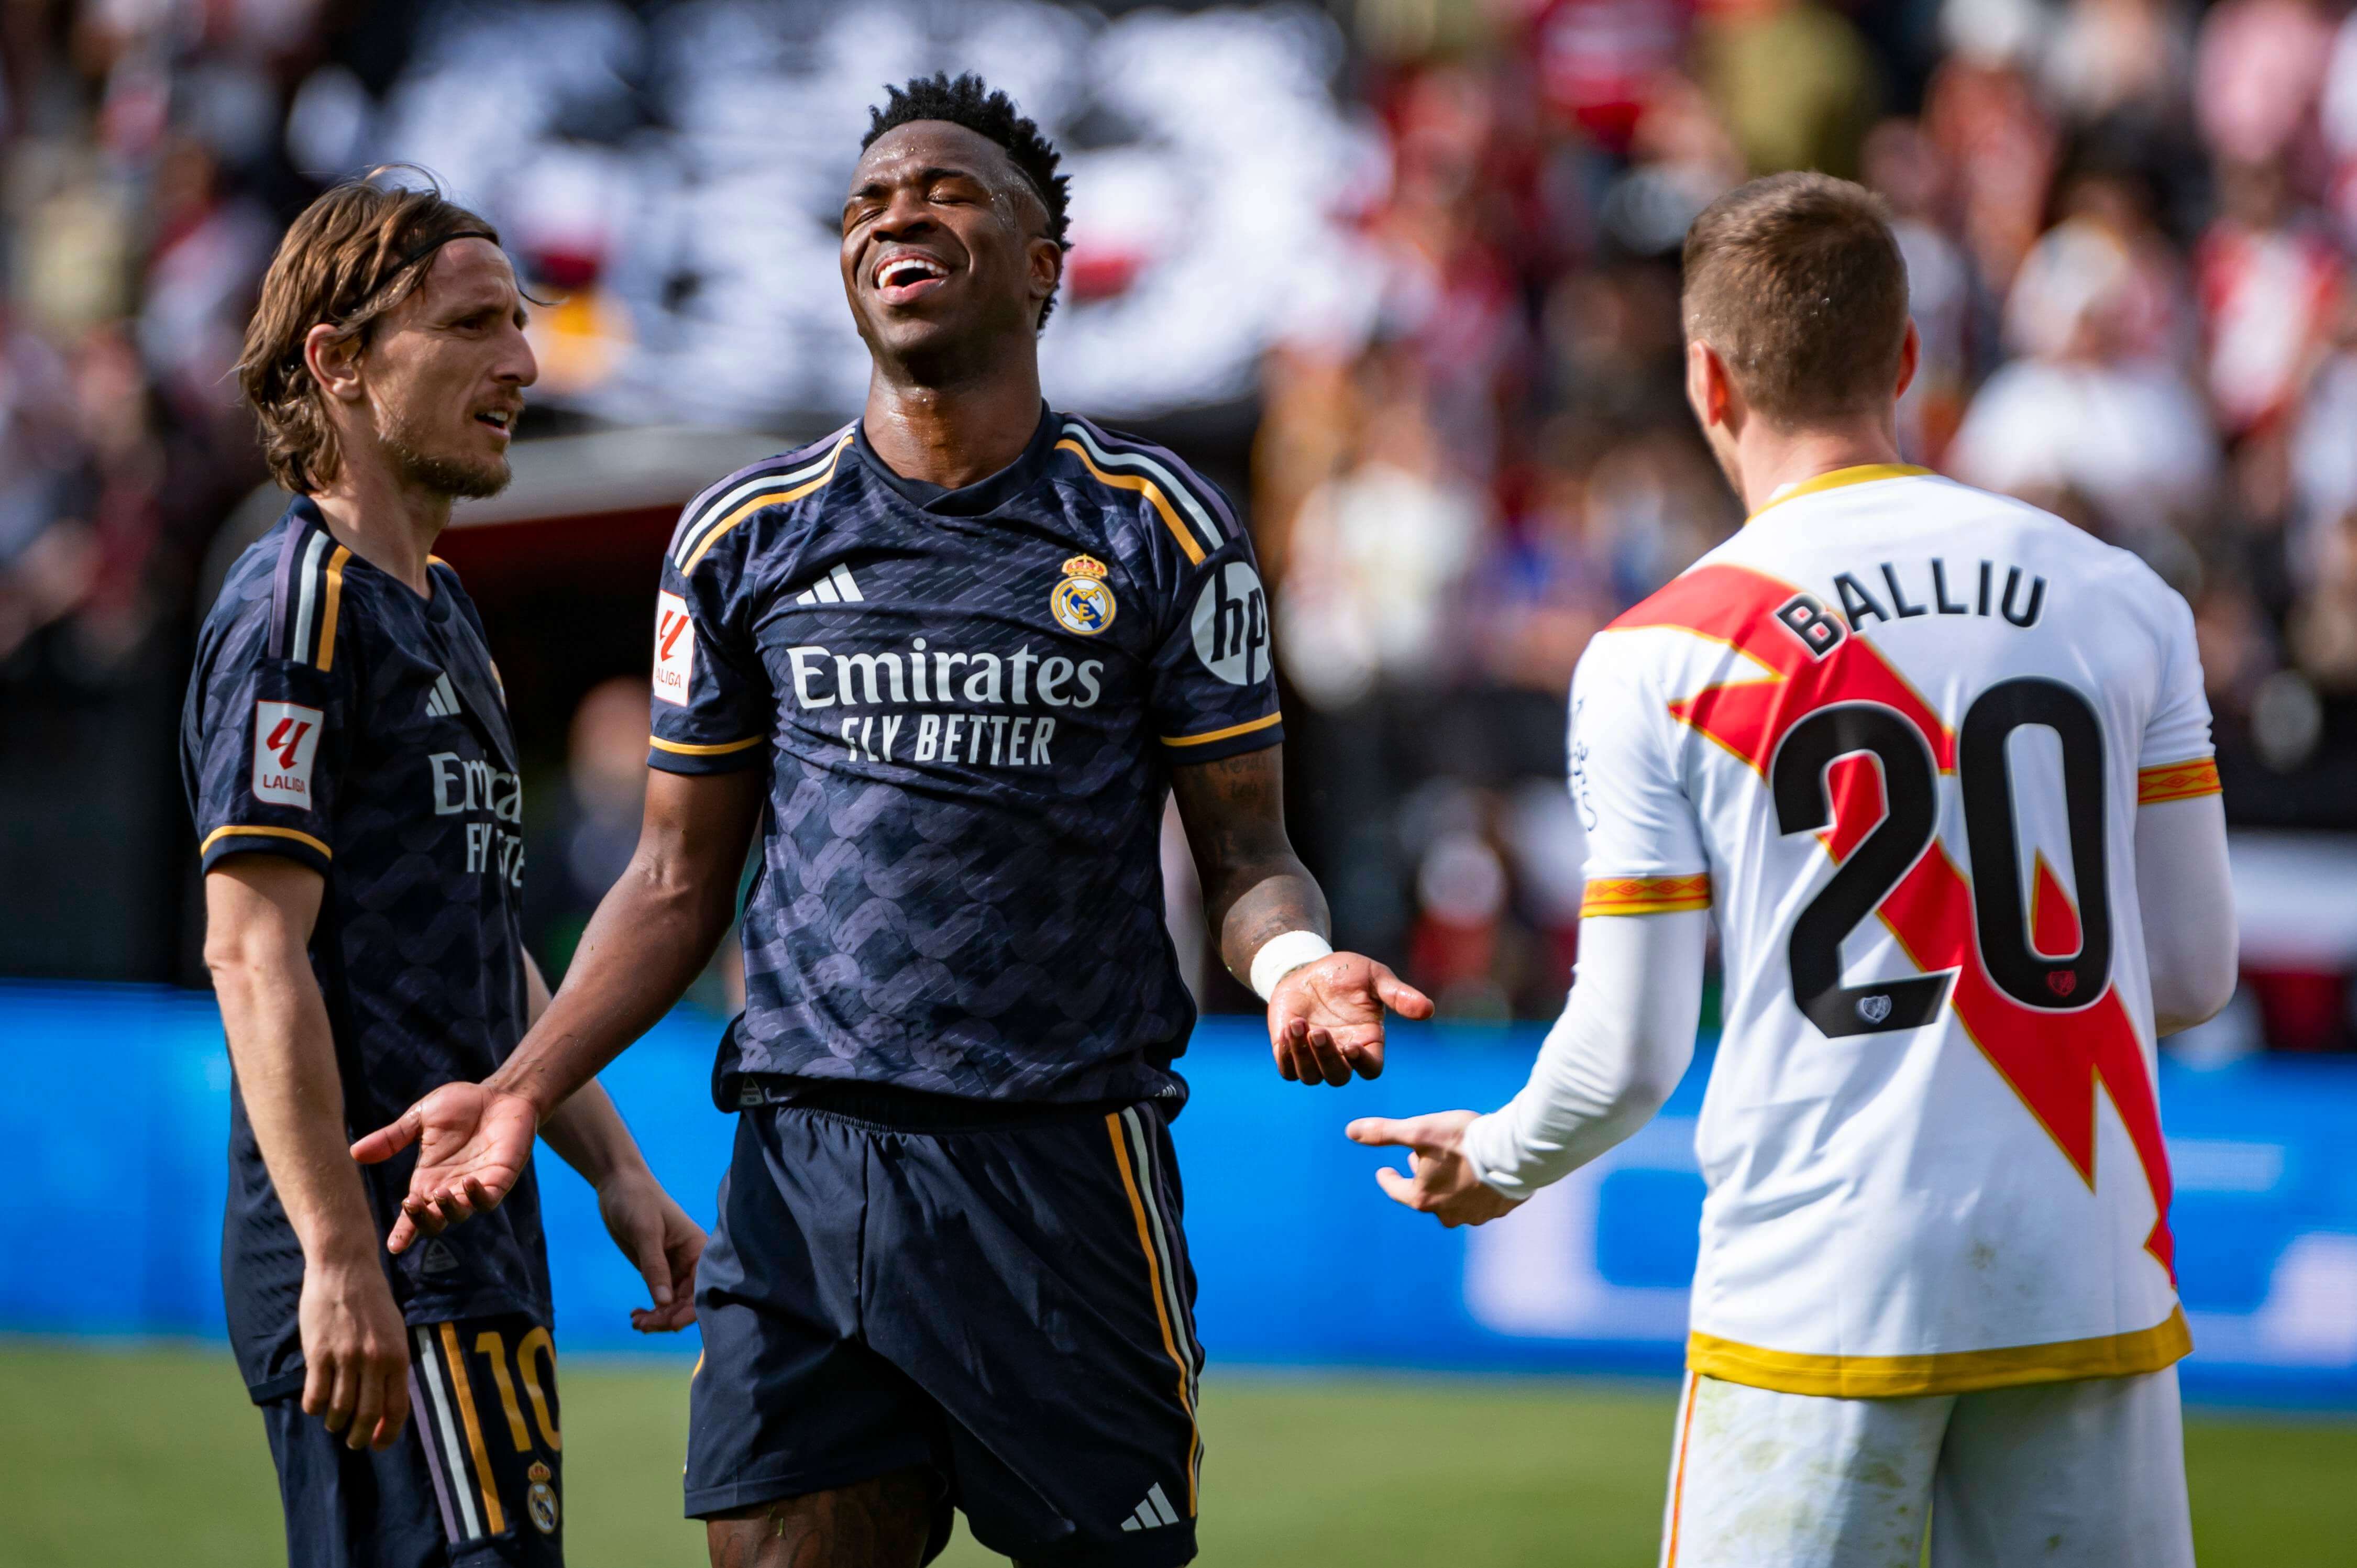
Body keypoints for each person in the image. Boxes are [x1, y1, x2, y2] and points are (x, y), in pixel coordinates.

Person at [352, 76, 1431, 1568]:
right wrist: (526, 1086)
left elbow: (1248, 859)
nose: (893, 215)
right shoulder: (744, 536)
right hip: (808, 1173)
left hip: (1067, 1172)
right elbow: (673, 881)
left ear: (1044, 261)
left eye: (943, 191)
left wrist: (1296, 959)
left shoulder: (1159, 528)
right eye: (865, 202)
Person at [1350, 172, 2236, 1568]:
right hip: (2082, 1266)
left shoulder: (1657, 652)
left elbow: (1629, 1053)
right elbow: (2186, 974)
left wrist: (1498, 1157)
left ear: (1706, 378)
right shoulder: (2119, 596)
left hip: (1809, 1298)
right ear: (1903, 357)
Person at [186, 174, 705, 1568]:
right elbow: (251, 950)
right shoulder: (297, 605)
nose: (522, 363)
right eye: (472, 326)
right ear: (339, 362)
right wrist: (341, 1259)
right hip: (377, 1259)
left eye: (520, 326)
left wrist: (614, 1164)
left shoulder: (446, 609)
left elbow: (486, 940)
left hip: (476, 1237)